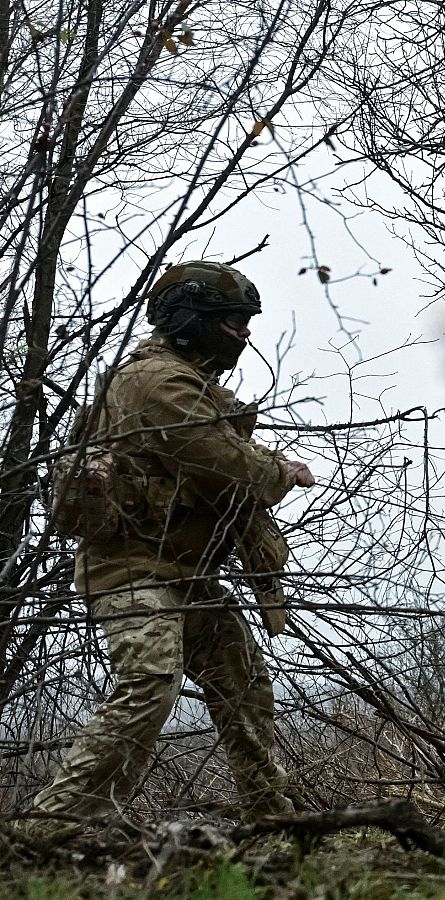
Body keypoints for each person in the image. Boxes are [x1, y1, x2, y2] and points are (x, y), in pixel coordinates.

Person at [28, 260, 315, 829]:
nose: (244, 335)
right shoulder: (157, 382)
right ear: (190, 320)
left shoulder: (185, 380)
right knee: (150, 683)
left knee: (243, 684)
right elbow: (222, 462)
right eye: (233, 322)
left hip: (183, 573)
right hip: (132, 569)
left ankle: (268, 816)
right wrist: (280, 471)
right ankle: (51, 827)